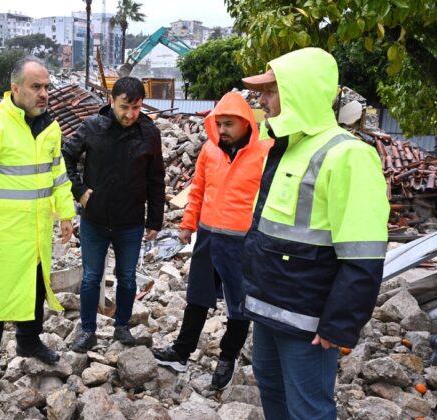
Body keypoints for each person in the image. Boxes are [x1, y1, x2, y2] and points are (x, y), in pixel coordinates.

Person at [240, 47, 389, 419]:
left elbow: (363, 253)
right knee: (272, 392)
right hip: (269, 309)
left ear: (298, 91)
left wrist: (339, 324)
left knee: (309, 409)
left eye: (271, 90)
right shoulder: (285, 149)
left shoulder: (347, 155)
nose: (263, 100)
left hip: (308, 322)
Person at [0, 56, 76, 398]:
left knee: (35, 289)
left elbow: (58, 176)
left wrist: (66, 214)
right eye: (35, 87)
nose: (43, 94)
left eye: (46, 87)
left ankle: (28, 342)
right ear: (15, 89)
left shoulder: (49, 128)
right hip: (3, 235)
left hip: (37, 231)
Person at [152, 92, 272, 391]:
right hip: (207, 236)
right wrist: (187, 224)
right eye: (219, 124)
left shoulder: (265, 153)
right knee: (198, 296)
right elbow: (198, 189)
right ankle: (181, 352)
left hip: (242, 241)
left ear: (246, 123)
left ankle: (227, 358)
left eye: (229, 124)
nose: (222, 131)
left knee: (238, 304)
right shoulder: (209, 150)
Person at [62, 77, 165, 353]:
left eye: (136, 107)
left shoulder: (149, 134)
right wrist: (79, 190)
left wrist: (155, 220)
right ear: (111, 101)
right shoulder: (93, 127)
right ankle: (87, 330)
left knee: (128, 277)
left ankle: (122, 326)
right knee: (90, 277)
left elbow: (156, 179)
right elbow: (66, 156)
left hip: (130, 222)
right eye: (124, 107)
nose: (130, 114)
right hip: (95, 219)